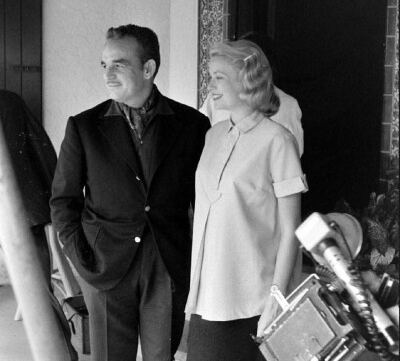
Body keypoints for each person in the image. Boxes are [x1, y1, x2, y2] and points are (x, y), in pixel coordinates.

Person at [50, 24, 210, 361]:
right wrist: (83, 262)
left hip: (166, 263)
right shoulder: (84, 127)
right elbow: (63, 202)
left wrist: (193, 262)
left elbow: (204, 202)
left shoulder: (192, 125)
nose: (108, 74)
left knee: (160, 357)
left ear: (148, 68)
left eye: (119, 64)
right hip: (104, 265)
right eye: (104, 65)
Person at [185, 40, 308, 361]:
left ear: (247, 81)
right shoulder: (212, 136)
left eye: (219, 77)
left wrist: (275, 302)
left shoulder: (279, 141)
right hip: (206, 297)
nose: (210, 85)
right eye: (210, 76)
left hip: (252, 301)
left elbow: (291, 230)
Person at [0, 89, 78, 361]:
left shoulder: (8, 103)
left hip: (22, 212)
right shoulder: (10, 101)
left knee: (39, 295)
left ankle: (62, 353)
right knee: (40, 294)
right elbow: (43, 150)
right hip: (25, 211)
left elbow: (37, 148)